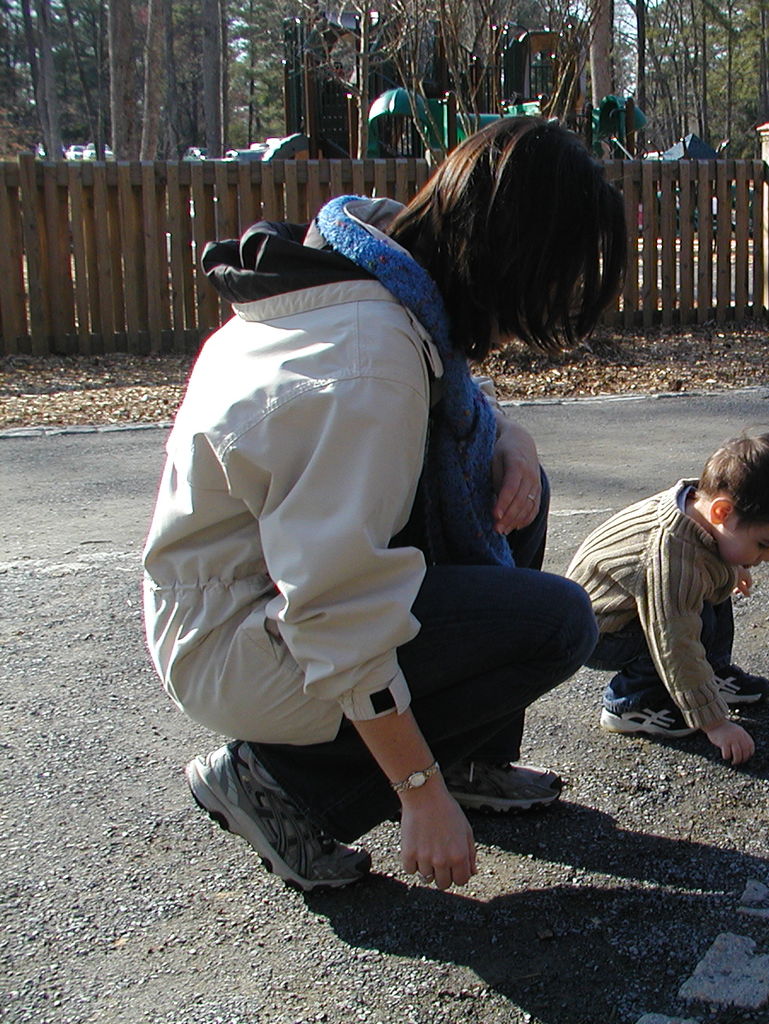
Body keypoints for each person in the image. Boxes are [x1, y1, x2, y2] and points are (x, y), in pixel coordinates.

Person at [141, 117, 626, 893]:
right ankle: (278, 785)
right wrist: (416, 791)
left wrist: (516, 443)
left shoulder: (374, 269)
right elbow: (336, 607)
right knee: (558, 622)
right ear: (509, 262)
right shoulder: (367, 364)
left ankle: (471, 756)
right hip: (240, 635)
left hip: (258, 595)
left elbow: (453, 408)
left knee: (515, 497)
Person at [565, 433, 769, 765]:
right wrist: (715, 723)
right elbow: (675, 642)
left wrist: (735, 563)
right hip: (597, 633)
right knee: (680, 624)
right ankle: (630, 703)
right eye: (763, 544)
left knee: (712, 586)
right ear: (722, 511)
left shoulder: (698, 510)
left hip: (635, 610)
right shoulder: (670, 558)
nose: (768, 557)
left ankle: (711, 676)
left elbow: (712, 558)